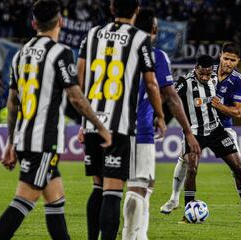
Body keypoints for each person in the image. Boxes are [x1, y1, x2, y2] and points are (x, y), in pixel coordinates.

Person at [0, 1, 112, 239]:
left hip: (26, 140)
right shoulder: (60, 53)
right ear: (61, 22)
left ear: (34, 23)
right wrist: (100, 127)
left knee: (56, 199)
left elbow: (12, 103)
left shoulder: (19, 55)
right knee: (24, 200)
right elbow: (76, 97)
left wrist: (11, 142)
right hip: (42, 143)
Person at [77, 1, 166, 239]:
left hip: (93, 120)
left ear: (112, 9)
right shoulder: (139, 39)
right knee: (112, 191)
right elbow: (151, 82)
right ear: (136, 11)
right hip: (119, 124)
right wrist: (160, 114)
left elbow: (80, 77)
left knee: (97, 187)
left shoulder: (92, 34)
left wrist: (83, 120)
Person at [118, 8, 200, 240]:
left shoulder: (115, 54)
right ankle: (132, 236)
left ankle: (136, 235)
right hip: (140, 129)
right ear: (154, 30)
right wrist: (187, 131)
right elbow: (171, 97)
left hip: (110, 127)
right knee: (139, 186)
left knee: (113, 188)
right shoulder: (156, 56)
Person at [160, 53, 241, 225]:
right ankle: (188, 212)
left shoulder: (216, 78)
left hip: (216, 130)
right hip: (194, 133)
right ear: (196, 69)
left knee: (238, 166)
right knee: (191, 169)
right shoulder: (185, 82)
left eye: (208, 73)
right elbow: (170, 98)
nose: (206, 77)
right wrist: (160, 116)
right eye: (202, 74)